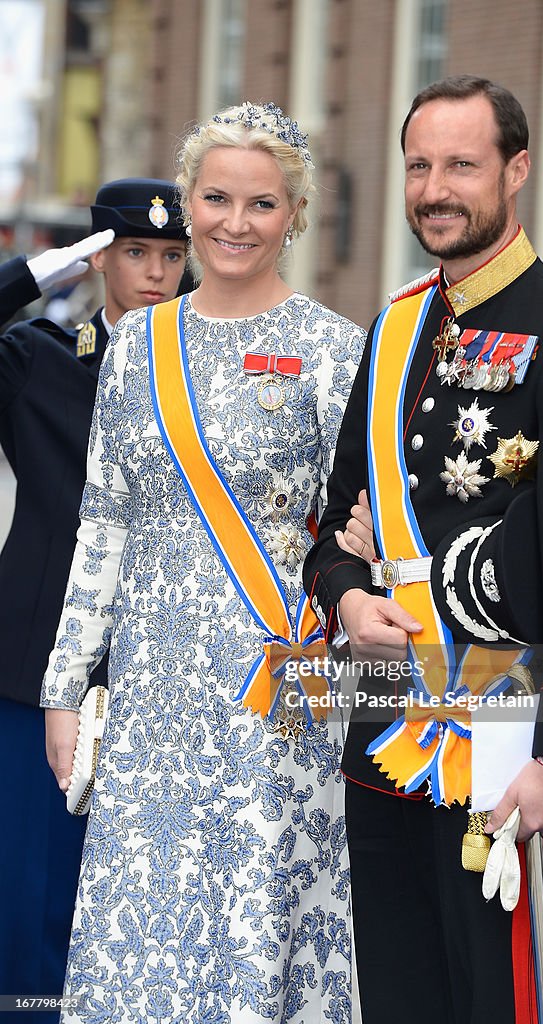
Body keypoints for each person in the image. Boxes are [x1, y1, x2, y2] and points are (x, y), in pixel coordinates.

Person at [303, 75, 543, 1024]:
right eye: (420, 165)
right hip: (385, 721)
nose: (435, 188)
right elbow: (335, 523)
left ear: (517, 169)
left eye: (461, 164)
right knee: (402, 989)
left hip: (510, 730)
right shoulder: (398, 328)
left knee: (503, 993)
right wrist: (346, 598)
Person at [41, 102, 365, 1023]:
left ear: (294, 215)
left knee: (258, 922)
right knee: (145, 927)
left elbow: (358, 527)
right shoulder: (135, 345)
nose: (234, 222)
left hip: (276, 688)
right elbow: (102, 519)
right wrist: (67, 684)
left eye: (262, 204)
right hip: (151, 692)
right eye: (216, 198)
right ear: (186, 203)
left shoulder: (334, 350)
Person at [0, 179, 187, 1020]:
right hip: (33, 667)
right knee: (28, 898)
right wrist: (43, 271)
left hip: (159, 673)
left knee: (140, 899)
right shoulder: (42, 360)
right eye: (133, 253)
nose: (153, 273)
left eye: (171, 255)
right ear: (101, 256)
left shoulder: (204, 372)